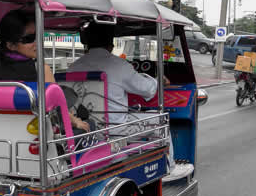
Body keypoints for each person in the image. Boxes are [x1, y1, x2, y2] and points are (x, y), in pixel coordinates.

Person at [67, 22, 193, 182]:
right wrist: (158, 80)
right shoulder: (119, 65)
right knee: (159, 119)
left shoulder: (74, 66)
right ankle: (169, 168)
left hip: (87, 130)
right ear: (111, 44)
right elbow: (147, 89)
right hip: (116, 130)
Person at [0, 10, 90, 132]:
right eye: (29, 39)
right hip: (37, 136)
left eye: (38, 36)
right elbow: (57, 111)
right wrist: (75, 122)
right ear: (11, 45)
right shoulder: (41, 70)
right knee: (88, 123)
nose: (37, 42)